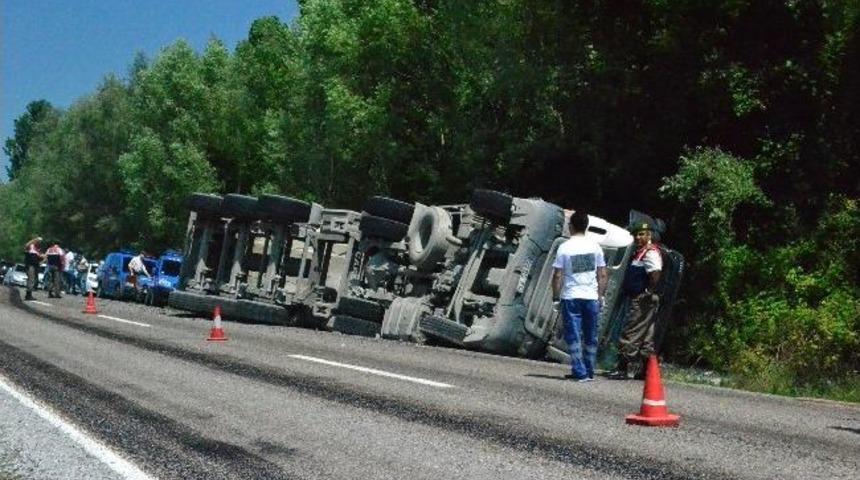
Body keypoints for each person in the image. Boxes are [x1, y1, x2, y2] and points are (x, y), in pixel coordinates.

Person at [552, 212, 608, 382]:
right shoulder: (595, 247)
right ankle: (589, 370)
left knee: (573, 335)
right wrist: (601, 296)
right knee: (591, 335)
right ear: (586, 226)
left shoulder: (565, 247)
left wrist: (555, 297)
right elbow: (603, 275)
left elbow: (557, 276)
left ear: (571, 226)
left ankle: (579, 371)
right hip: (591, 297)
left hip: (572, 297)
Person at [609, 221, 664, 380]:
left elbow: (655, 273)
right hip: (639, 297)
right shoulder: (640, 252)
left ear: (649, 236)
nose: (638, 237)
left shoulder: (650, 252)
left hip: (642, 299)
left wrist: (648, 291)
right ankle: (646, 370)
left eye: (642, 234)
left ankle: (622, 367)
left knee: (631, 331)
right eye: (637, 234)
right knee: (647, 335)